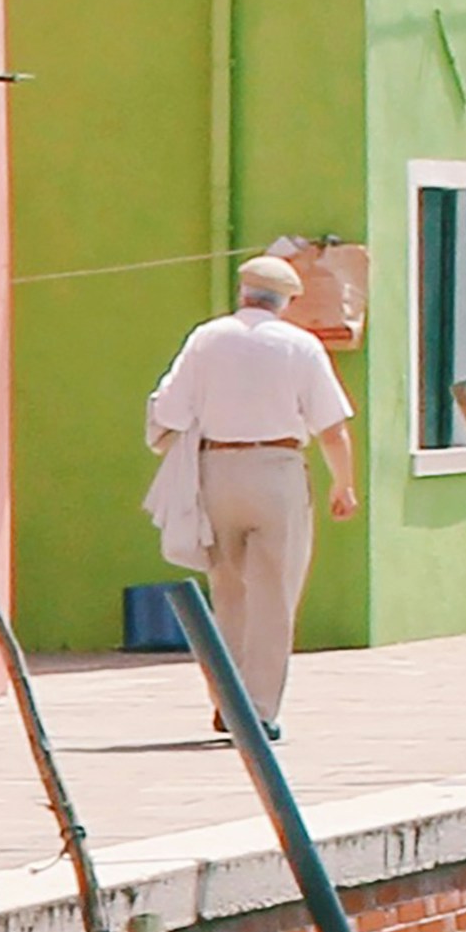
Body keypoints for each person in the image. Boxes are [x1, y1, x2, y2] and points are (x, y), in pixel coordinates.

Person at [143, 256, 354, 699]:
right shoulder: (300, 345)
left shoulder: (207, 339)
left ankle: (227, 698)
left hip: (216, 469)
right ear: (286, 301)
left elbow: (168, 410)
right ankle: (258, 708)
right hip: (277, 470)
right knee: (274, 596)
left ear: (243, 292)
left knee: (228, 592)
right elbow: (332, 429)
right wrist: (343, 485)